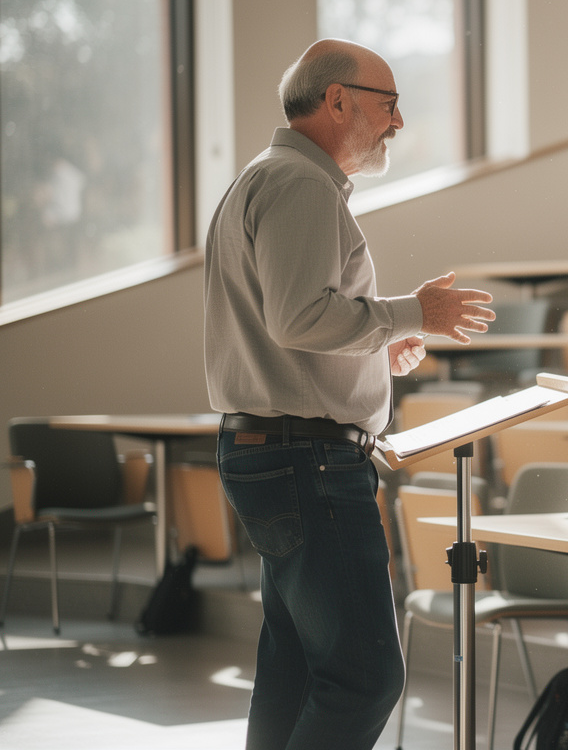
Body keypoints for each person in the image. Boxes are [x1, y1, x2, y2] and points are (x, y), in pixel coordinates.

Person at [204, 39, 496, 750]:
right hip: (307, 462)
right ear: (338, 100)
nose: (397, 122)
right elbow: (299, 317)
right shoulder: (300, 184)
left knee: (297, 669)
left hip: (277, 450)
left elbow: (291, 329)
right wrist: (408, 313)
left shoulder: (268, 177)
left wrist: (377, 346)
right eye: (388, 103)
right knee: (366, 677)